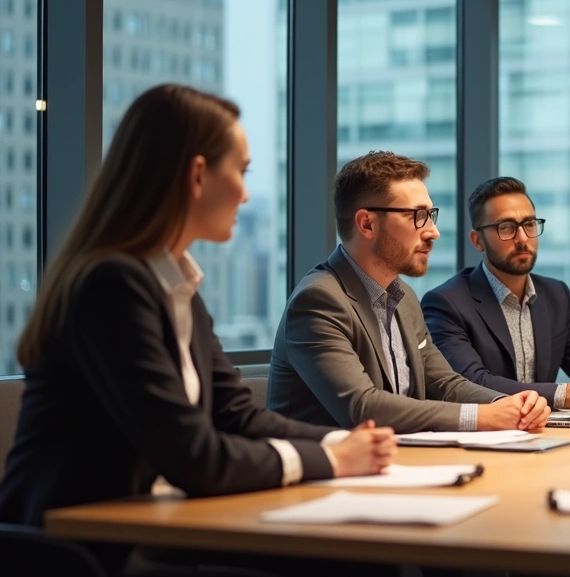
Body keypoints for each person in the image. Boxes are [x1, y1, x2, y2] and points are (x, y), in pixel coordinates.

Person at [0, 85, 396, 574]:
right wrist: (335, 462)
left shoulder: (175, 284)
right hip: (83, 550)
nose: (247, 193)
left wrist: (342, 444)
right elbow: (195, 456)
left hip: (152, 526)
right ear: (197, 175)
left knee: (360, 558)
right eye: (242, 171)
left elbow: (236, 416)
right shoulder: (113, 286)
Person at [268, 152, 550, 434]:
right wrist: (482, 417)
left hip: (399, 463)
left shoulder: (403, 297)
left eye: (430, 215)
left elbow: (443, 383)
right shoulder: (318, 301)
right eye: (418, 216)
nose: (433, 232)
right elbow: (363, 408)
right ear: (367, 224)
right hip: (325, 474)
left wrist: (511, 405)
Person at [421, 177, 570, 409]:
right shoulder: (446, 303)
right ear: (477, 241)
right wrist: (564, 394)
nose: (522, 239)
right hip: (485, 438)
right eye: (506, 228)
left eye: (529, 224)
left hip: (543, 433)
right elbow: (471, 383)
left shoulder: (556, 295)